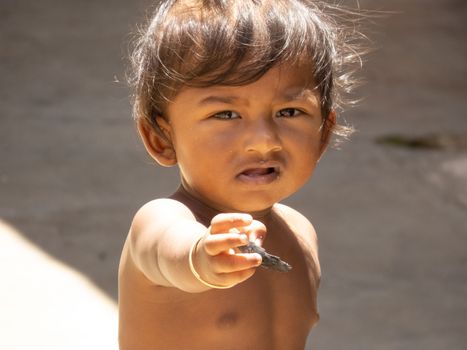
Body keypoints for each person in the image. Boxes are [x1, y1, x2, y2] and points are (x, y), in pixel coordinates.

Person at [119, 0, 364, 349]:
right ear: (161, 139)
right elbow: (168, 251)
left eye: (289, 111)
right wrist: (202, 257)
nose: (263, 140)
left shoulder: (300, 232)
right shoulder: (162, 221)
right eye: (226, 114)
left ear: (322, 135)